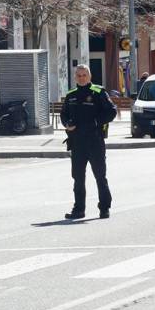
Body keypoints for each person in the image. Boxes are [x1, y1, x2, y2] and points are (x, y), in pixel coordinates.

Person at [60, 64, 117, 220]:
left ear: (89, 76)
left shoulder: (98, 92)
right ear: (75, 77)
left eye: (84, 75)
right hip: (77, 142)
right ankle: (79, 209)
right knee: (78, 177)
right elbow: (63, 114)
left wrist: (97, 122)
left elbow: (112, 111)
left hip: (95, 141)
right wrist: (67, 124)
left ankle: (104, 207)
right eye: (78, 75)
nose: (81, 78)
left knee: (100, 175)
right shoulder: (71, 95)